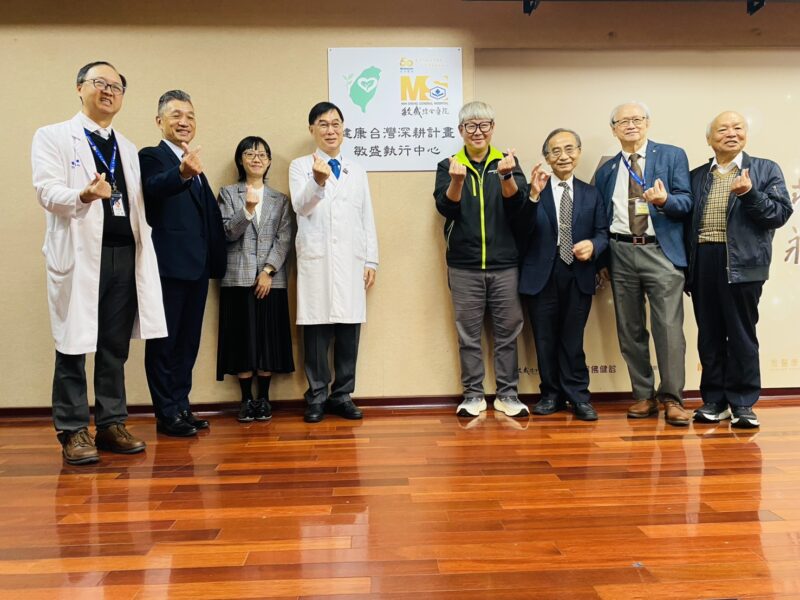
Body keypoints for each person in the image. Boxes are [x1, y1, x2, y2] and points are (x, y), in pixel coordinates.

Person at [31, 61, 167, 464]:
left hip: (124, 254)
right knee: (72, 343)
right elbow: (46, 190)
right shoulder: (53, 136)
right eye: (100, 83)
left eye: (116, 86)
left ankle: (111, 423)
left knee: (114, 345)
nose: (108, 91)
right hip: (79, 254)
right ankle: (73, 430)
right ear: (80, 88)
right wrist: (84, 196)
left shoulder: (126, 146)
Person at [687, 111, 792, 428]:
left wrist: (750, 194)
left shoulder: (764, 169)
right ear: (709, 138)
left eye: (738, 128)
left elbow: (779, 214)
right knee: (709, 334)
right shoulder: (697, 175)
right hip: (703, 259)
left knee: (741, 334)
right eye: (723, 129)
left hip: (743, 262)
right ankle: (714, 401)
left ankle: (743, 403)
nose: (731, 133)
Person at [594, 102, 694, 428]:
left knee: (668, 329)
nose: (631, 125)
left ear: (647, 123)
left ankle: (673, 399)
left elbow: (687, 202)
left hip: (660, 251)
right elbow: (600, 218)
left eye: (637, 119)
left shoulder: (671, 156)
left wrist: (665, 201)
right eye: (623, 121)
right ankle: (643, 395)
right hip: (620, 252)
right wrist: (602, 260)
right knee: (630, 328)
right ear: (613, 129)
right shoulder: (607, 169)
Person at [434, 101, 528, 418]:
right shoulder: (449, 165)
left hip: (505, 264)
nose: (478, 131)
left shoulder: (507, 162)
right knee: (468, 335)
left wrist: (506, 176)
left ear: (492, 128)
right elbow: (445, 209)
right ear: (461, 130)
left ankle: (507, 395)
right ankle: (473, 394)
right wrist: (457, 181)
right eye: (471, 125)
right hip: (464, 265)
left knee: (508, 334)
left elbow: (518, 207)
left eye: (484, 124)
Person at [140, 90, 226, 437]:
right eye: (176, 115)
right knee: (165, 343)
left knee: (188, 342)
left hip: (197, 267)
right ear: (159, 121)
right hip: (168, 267)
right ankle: (166, 414)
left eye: (190, 116)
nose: (184, 122)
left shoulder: (194, 162)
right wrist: (182, 173)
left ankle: (181, 406)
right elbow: (153, 187)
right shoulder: (152, 156)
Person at [288, 102, 379, 424]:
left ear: (343, 128)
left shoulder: (357, 170)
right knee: (316, 331)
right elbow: (301, 207)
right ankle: (316, 396)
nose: (331, 130)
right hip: (317, 261)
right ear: (312, 129)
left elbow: (366, 216)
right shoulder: (301, 166)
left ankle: (342, 395)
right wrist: (317, 181)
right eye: (323, 124)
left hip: (351, 261)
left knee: (349, 330)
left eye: (336, 123)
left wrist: (371, 259)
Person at [518, 129, 609, 421]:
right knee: (545, 338)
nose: (563, 156)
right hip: (542, 273)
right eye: (555, 151)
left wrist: (593, 246)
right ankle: (551, 394)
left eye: (569, 149)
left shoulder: (591, 193)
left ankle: (578, 397)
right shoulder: (534, 189)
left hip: (578, 272)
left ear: (579, 152)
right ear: (546, 157)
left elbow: (603, 233)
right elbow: (519, 230)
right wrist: (533, 196)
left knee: (573, 339)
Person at [217, 136, 295, 422]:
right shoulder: (228, 194)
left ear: (269, 161)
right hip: (237, 278)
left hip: (271, 280)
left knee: (267, 339)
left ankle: (264, 398)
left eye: (262, 154)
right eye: (249, 154)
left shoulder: (280, 199)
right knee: (241, 339)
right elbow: (227, 233)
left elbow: (284, 238)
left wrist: (268, 270)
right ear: (241, 160)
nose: (256, 159)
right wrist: (247, 210)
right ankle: (246, 400)